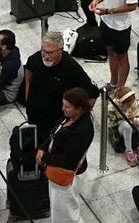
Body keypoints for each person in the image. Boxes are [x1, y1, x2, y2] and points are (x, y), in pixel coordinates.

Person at [24, 32, 98, 140]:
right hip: (34, 116)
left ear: (60, 50)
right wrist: (28, 96)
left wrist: (76, 119)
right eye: (44, 51)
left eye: (51, 53)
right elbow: (29, 70)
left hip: (56, 121)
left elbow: (92, 93)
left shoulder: (72, 68)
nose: (46, 56)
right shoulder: (36, 58)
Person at [36, 87, 95, 223]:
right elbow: (54, 133)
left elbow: (68, 161)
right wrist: (43, 148)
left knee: (67, 215)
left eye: (67, 106)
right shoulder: (70, 117)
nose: (63, 109)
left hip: (67, 176)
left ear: (79, 108)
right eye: (63, 104)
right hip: (55, 169)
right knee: (59, 211)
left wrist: (44, 158)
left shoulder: (83, 131)